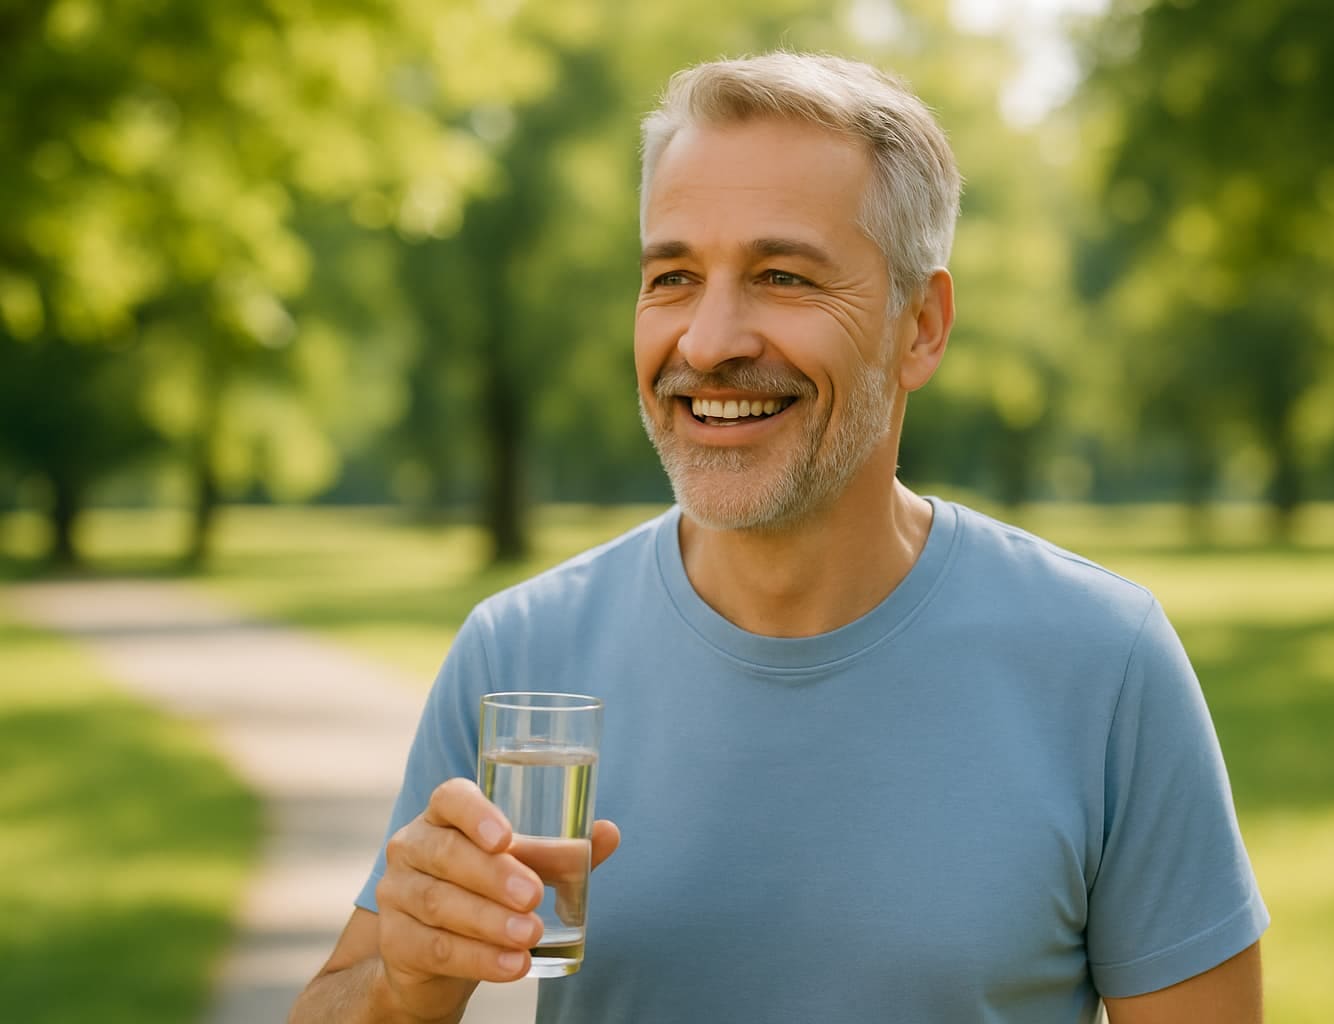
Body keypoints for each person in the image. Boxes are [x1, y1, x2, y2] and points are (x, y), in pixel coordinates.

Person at [290, 51, 1268, 1024]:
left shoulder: (1105, 667)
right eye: (672, 276)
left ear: (920, 326)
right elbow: (351, 995)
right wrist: (398, 989)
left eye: (783, 275)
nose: (709, 341)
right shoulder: (519, 655)